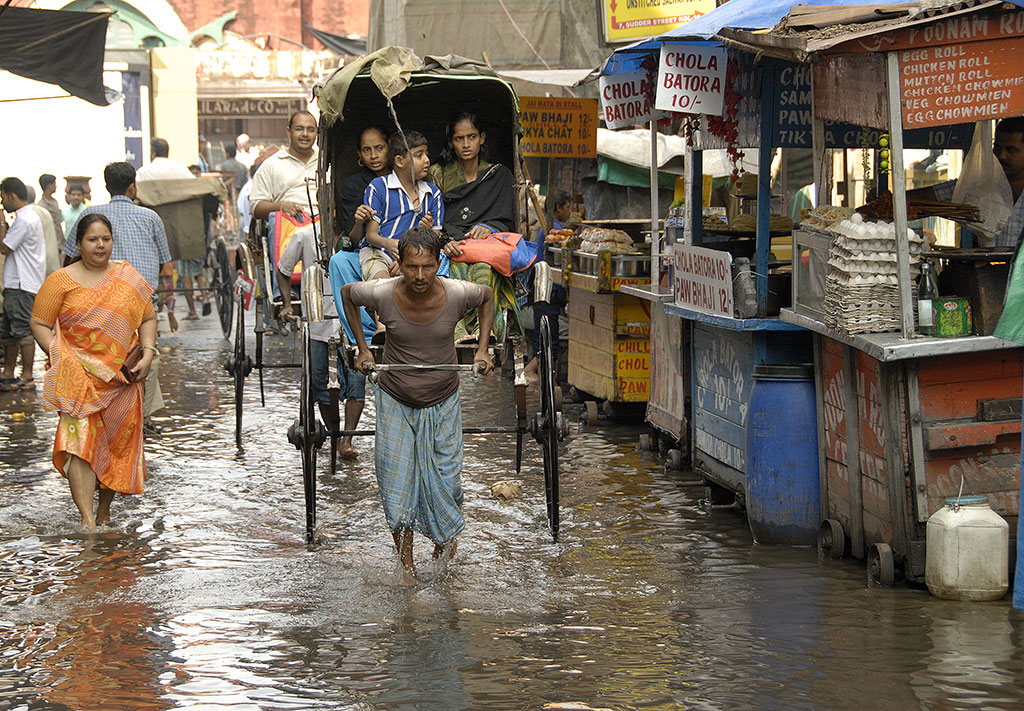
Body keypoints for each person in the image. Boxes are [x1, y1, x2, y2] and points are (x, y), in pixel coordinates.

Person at [340, 226, 494, 579]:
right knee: (395, 483)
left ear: (438, 263)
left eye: (427, 267)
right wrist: (363, 349)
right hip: (395, 396)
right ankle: (407, 566)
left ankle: (442, 554)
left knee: (447, 483)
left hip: (443, 399)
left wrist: (483, 348)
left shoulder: (457, 293)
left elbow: (486, 297)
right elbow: (349, 295)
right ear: (400, 264)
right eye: (411, 267)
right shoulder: (382, 292)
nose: (420, 276)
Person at [30, 214, 156, 528]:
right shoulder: (60, 280)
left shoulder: (128, 277)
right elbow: (40, 324)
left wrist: (149, 352)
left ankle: (103, 512)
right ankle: (88, 521)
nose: (100, 246)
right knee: (80, 446)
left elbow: (148, 318)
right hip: (77, 380)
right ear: (79, 243)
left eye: (105, 239)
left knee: (116, 445)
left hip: (122, 379)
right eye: (92, 239)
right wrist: (61, 356)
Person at [63, 162, 171, 436]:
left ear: (106, 186)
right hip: (141, 303)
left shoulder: (90, 215)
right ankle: (141, 417)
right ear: (132, 186)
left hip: (98, 305)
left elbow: (68, 260)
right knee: (147, 357)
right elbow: (165, 266)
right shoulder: (150, 217)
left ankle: (107, 416)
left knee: (102, 359)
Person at [277, 222, 368, 461]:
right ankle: (335, 434)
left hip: (353, 320)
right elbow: (284, 268)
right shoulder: (305, 235)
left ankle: (346, 437)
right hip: (318, 322)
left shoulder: (362, 236)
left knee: (357, 379)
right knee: (320, 382)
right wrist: (288, 304)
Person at [428, 111, 520, 343]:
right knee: (452, 275)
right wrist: (445, 241)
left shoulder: (499, 175)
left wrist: (488, 227)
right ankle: (457, 333)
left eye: (472, 137)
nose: (466, 144)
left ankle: (484, 331)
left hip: (485, 249)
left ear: (482, 138)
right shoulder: (438, 173)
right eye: (459, 139)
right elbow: (433, 217)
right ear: (451, 141)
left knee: (484, 270)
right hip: (448, 244)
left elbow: (506, 220)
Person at [912, 117, 1024, 248]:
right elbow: (929, 196)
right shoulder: (979, 187)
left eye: (1011, 150)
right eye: (997, 148)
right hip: (988, 267)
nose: (1001, 156)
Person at [136, 138, 208, 321]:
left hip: (152, 232)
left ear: (152, 153)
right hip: (181, 232)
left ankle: (154, 305)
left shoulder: (143, 172)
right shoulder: (181, 170)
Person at [360, 131, 443, 281]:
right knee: (381, 287)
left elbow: (435, 237)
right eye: (419, 155)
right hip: (379, 252)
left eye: (426, 154)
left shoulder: (433, 193)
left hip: (416, 257)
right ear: (399, 161)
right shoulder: (379, 187)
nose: (427, 160)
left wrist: (407, 259)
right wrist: (389, 244)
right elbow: (370, 235)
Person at [0, 177, 46, 391]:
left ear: (11, 195)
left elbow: (4, 247)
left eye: (2, 197)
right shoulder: (25, 217)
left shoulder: (25, 220)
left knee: (22, 331)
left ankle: (27, 376)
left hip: (22, 284)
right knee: (9, 331)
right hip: (17, 283)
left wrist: (1, 222)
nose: (2, 202)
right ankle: (8, 373)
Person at [525, 191, 570, 385]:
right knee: (547, 339)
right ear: (558, 208)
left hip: (547, 289)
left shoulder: (554, 227)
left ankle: (541, 378)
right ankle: (534, 375)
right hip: (547, 289)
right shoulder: (551, 229)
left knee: (546, 338)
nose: (570, 211)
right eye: (568, 207)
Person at [250, 111, 319, 221]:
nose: (305, 134)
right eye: (299, 129)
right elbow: (256, 207)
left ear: (316, 134)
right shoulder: (271, 165)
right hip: (287, 227)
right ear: (289, 131)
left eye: (310, 130)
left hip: (324, 227)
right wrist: (281, 207)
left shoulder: (325, 163)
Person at [338, 125, 391, 251]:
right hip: (368, 250)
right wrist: (359, 221)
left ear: (389, 148)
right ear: (359, 154)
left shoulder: (401, 178)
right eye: (366, 150)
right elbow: (353, 240)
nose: (373, 155)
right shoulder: (353, 185)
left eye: (379, 148)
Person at [37, 174, 63, 242]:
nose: (56, 186)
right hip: (50, 241)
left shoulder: (54, 202)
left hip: (59, 240)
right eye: (54, 183)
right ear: (49, 185)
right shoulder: (42, 206)